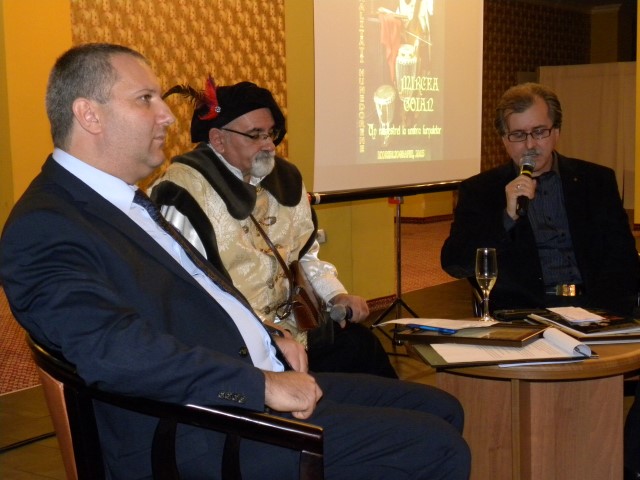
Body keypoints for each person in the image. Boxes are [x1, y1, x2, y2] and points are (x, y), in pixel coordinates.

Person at [0, 43, 470, 479]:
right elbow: (112, 349)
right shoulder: (47, 224)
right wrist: (258, 385)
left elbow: (196, 292)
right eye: (145, 99)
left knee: (441, 408)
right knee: (436, 445)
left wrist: (267, 335)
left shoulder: (118, 200)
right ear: (89, 115)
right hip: (194, 429)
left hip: (240, 383)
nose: (167, 115)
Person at [440, 81, 639, 479]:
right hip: (524, 314)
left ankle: (629, 464)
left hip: (596, 309)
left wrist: (609, 312)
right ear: (504, 140)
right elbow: (456, 262)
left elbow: (621, 257)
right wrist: (506, 217)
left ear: (556, 132)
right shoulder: (481, 190)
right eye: (518, 135)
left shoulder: (595, 180)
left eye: (539, 132)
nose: (530, 145)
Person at [150, 78, 397, 377]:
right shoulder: (184, 193)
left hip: (298, 331)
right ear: (218, 139)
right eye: (255, 135)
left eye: (271, 133)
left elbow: (304, 256)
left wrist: (336, 295)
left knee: (362, 347)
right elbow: (186, 293)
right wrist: (264, 335)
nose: (269, 145)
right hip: (236, 346)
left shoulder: (285, 178)